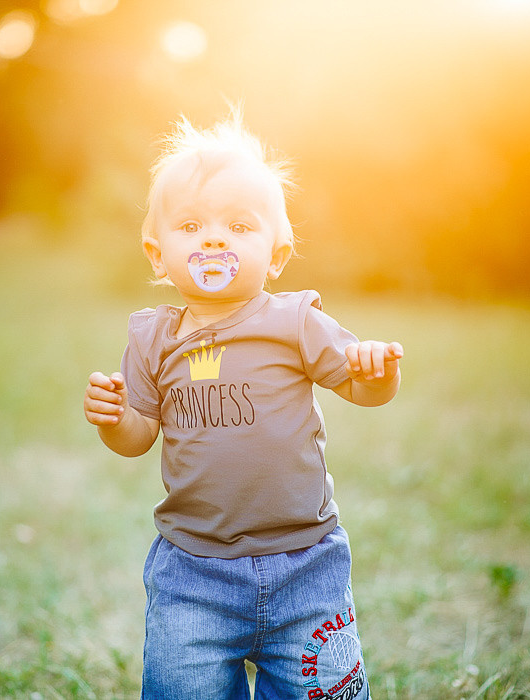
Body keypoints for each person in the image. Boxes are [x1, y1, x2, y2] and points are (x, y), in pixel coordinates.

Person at [83, 111, 402, 700]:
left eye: (238, 225)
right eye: (191, 225)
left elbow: (362, 390)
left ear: (276, 255)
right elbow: (138, 436)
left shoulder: (296, 322)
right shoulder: (152, 339)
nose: (214, 239)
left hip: (306, 566)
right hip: (192, 574)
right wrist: (114, 419)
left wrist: (375, 372)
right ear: (158, 253)